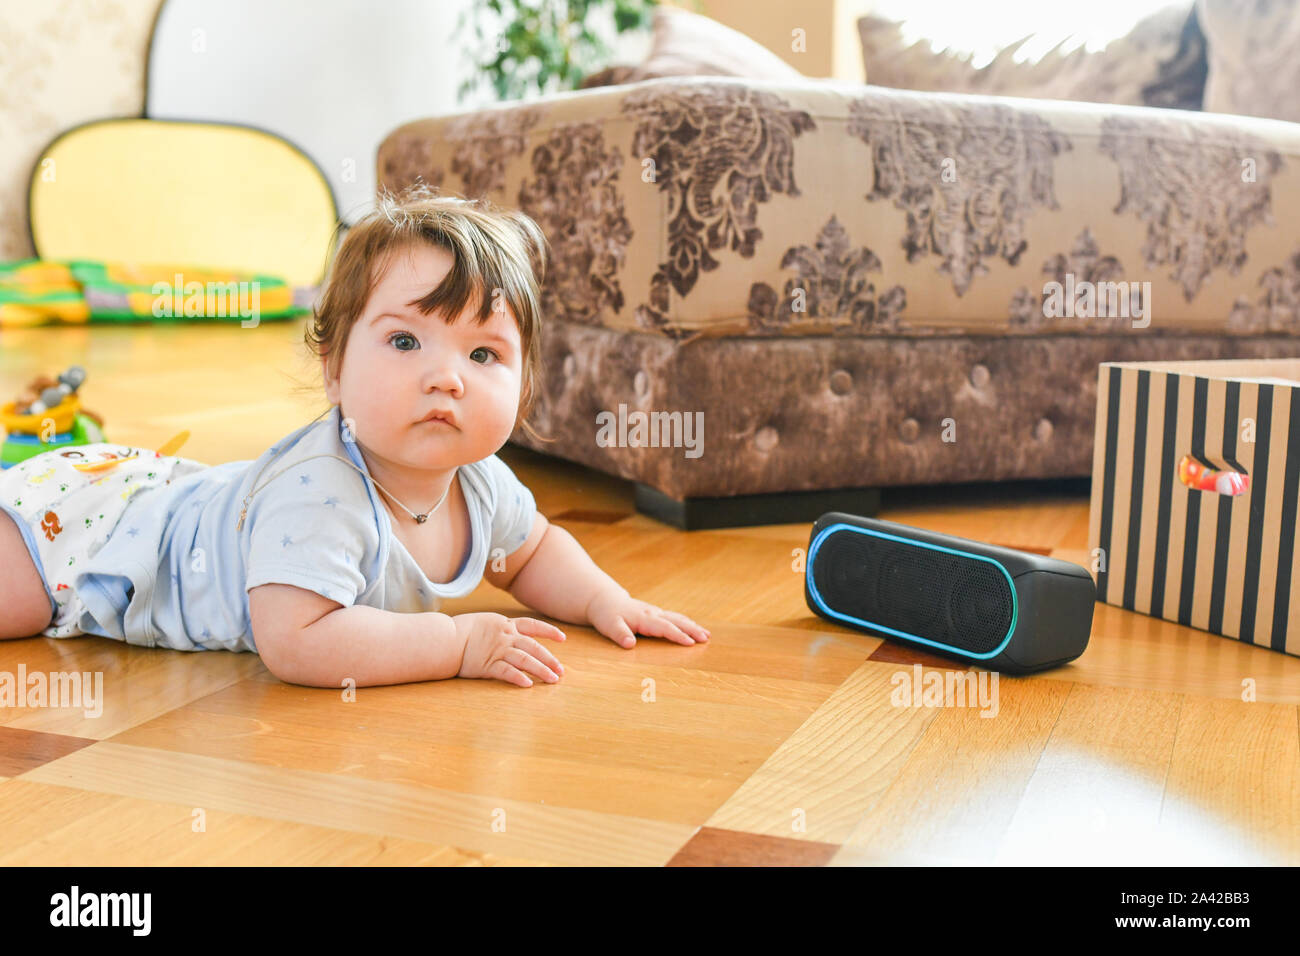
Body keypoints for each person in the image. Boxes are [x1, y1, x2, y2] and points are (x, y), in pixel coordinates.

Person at [0, 185, 710, 688]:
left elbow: (532, 554)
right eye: (405, 340)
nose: (447, 378)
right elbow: (297, 642)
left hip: (176, 493)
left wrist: (601, 600)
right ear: (333, 369)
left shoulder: (482, 482)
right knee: (16, 607)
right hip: (95, 532)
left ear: (524, 385)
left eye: (483, 354)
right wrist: (455, 643)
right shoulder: (322, 492)